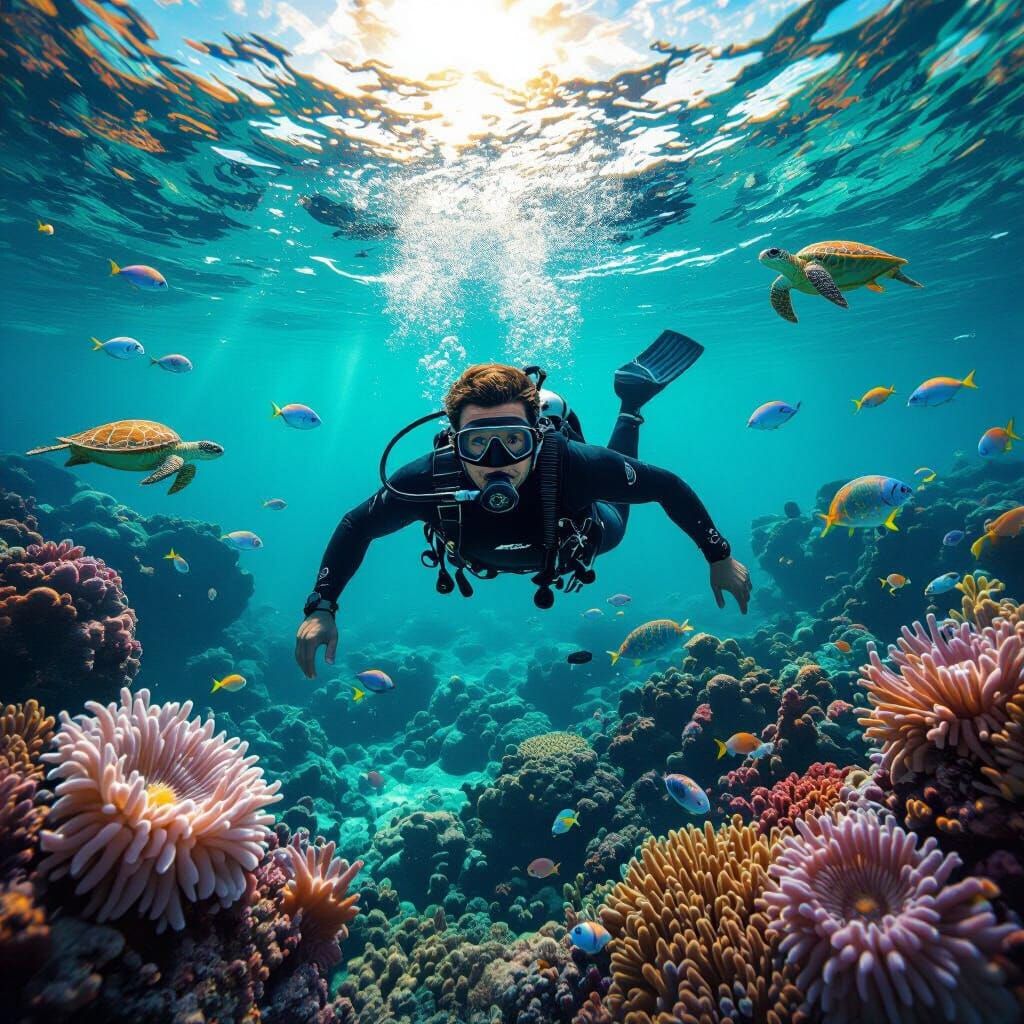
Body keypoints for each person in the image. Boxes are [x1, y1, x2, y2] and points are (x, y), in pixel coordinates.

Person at [295, 330, 751, 678]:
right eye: (477, 444)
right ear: (454, 443)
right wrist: (322, 606)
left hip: (582, 536)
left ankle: (631, 403)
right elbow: (357, 524)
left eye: (514, 440)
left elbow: (666, 486)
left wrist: (719, 555)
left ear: (539, 437)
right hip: (524, 546)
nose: (497, 462)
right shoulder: (429, 478)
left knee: (617, 503)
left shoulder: (575, 464)